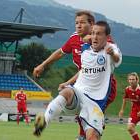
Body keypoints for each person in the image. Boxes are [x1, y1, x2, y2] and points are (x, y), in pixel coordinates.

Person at [33, 10, 117, 140]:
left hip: (103, 89)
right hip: (83, 85)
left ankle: (90, 130)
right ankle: (45, 120)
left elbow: (92, 66)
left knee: (90, 129)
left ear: (92, 24)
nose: (78, 25)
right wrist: (43, 64)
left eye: (82, 22)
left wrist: (91, 41)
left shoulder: (102, 38)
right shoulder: (73, 38)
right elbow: (60, 52)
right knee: (67, 94)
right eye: (76, 23)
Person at [118, 72, 140, 140]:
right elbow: (125, 98)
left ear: (137, 80)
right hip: (134, 111)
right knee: (130, 128)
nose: (131, 81)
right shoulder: (127, 89)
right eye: (130, 79)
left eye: (133, 79)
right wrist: (122, 110)